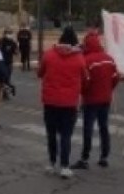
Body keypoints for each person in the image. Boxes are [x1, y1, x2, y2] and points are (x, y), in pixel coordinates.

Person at [38, 26, 88, 179]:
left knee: (51, 134)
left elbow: (40, 73)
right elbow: (85, 79)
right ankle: (65, 166)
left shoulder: (48, 55)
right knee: (66, 135)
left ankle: (52, 163)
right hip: (69, 103)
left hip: (50, 101)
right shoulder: (79, 59)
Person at [71, 30, 119, 170]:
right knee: (104, 127)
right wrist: (110, 88)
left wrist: (83, 92)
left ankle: (85, 158)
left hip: (91, 100)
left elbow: (84, 82)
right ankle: (104, 156)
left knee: (88, 129)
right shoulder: (109, 58)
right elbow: (115, 77)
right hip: (106, 99)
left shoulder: (86, 61)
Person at [0, 28, 19, 99]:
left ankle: (6, 92)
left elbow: (15, 52)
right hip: (2, 62)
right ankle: (6, 91)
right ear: (4, 34)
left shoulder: (12, 42)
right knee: (4, 78)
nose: (10, 35)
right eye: (8, 33)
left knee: (7, 78)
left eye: (11, 33)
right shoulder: (1, 42)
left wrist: (16, 48)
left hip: (9, 62)